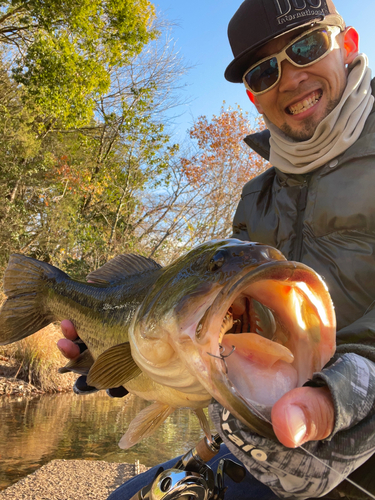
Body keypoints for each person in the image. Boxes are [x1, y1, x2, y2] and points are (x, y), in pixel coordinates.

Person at [57, 0, 375, 498]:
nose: (290, 78)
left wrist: (346, 394)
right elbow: (228, 335)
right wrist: (125, 364)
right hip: (266, 448)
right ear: (253, 95)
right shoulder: (256, 199)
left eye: (306, 47)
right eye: (265, 70)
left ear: (349, 45)